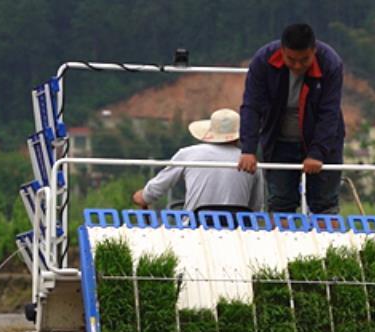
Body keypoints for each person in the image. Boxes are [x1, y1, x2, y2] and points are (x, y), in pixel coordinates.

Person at [237, 23, 344, 214]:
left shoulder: (330, 63)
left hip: (323, 142)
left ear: (314, 51)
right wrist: (248, 149)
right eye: (291, 59)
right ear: (282, 50)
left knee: (325, 203)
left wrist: (317, 153)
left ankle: (328, 241)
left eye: (304, 60)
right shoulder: (263, 60)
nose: (297, 65)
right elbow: (251, 106)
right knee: (280, 201)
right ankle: (281, 240)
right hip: (279, 141)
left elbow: (330, 113)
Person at [133, 108, 264, 216]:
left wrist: (143, 196)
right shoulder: (250, 163)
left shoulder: (188, 154)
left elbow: (155, 190)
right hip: (237, 231)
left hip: (195, 227)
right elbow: (255, 207)